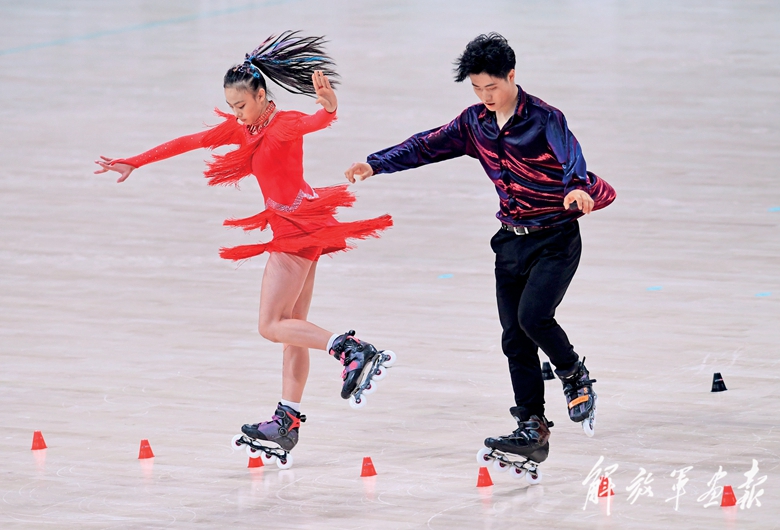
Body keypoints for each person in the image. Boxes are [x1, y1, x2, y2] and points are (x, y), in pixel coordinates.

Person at [95, 31, 393, 457]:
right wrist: (135, 162)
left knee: (270, 325)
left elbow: (317, 120)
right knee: (293, 328)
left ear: (261, 95)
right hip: (303, 224)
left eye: (241, 105)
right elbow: (188, 142)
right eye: (231, 106)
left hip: (295, 228)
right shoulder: (245, 128)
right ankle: (287, 421)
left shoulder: (284, 123)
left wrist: (329, 106)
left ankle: (350, 350)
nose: (236, 114)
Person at [345, 33, 615, 463]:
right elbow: (427, 144)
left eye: (492, 87)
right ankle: (532, 426)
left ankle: (573, 373)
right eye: (476, 88)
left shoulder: (545, 118)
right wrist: (377, 163)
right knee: (514, 338)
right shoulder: (475, 123)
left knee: (533, 318)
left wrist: (577, 188)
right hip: (509, 242)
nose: (486, 96)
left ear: (512, 75)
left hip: (555, 237)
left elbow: (571, 158)